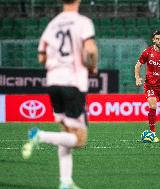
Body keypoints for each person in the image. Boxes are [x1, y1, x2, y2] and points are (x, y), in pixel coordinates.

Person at [21, 0, 98, 189]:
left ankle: (65, 181)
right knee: (79, 140)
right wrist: (92, 65)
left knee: (66, 131)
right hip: (72, 83)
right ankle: (39, 135)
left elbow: (41, 57)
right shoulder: (83, 22)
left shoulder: (52, 24)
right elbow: (90, 49)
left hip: (53, 82)